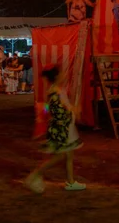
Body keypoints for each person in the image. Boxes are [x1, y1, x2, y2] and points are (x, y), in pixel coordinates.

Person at [24, 65, 85, 193]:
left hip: (65, 127)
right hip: (62, 129)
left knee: (69, 154)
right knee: (60, 156)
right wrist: (75, 109)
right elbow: (62, 110)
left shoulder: (54, 90)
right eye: (62, 73)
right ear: (57, 76)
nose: (64, 75)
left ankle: (70, 182)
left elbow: (48, 108)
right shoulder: (56, 92)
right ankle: (35, 175)